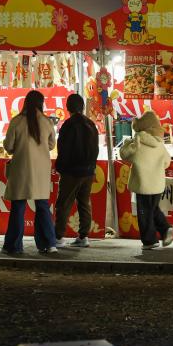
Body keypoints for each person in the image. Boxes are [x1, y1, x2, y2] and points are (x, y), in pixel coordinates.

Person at [2, 90, 57, 255]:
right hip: (41, 170)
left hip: (21, 169)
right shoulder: (47, 122)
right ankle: (49, 243)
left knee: (18, 206)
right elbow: (51, 145)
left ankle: (14, 246)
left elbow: (9, 146)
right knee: (42, 206)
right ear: (41, 103)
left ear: (25, 103)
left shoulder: (17, 121)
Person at [120, 110, 173, 251]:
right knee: (153, 209)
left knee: (144, 213)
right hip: (157, 184)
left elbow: (124, 155)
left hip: (142, 183)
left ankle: (150, 240)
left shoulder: (137, 141)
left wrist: (128, 144)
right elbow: (167, 162)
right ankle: (166, 229)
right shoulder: (159, 144)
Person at [53, 94, 99, 248]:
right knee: (84, 203)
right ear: (83, 107)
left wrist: (60, 168)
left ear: (68, 107)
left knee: (64, 203)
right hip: (88, 171)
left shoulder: (68, 125)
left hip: (71, 172)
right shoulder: (91, 124)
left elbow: (63, 149)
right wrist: (91, 166)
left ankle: (58, 236)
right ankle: (83, 236)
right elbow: (96, 148)